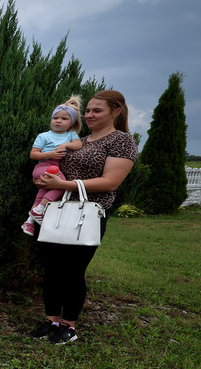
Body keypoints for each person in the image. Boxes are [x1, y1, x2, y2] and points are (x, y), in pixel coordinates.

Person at [30, 90, 137, 345]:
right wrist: (45, 180)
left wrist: (63, 185)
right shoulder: (80, 140)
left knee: (73, 271)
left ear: (116, 112)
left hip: (87, 214)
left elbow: (110, 182)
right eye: (88, 110)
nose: (89, 114)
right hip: (55, 211)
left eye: (97, 110)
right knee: (52, 269)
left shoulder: (121, 141)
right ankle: (51, 320)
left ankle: (69, 326)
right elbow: (58, 171)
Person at [21, 97, 83, 235]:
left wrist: (66, 144)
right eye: (55, 117)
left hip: (56, 168)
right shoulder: (43, 136)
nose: (59, 121)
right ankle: (39, 210)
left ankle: (29, 222)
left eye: (64, 119)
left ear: (72, 123)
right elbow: (33, 154)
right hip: (44, 165)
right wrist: (51, 154)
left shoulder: (70, 135)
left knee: (42, 193)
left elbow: (78, 145)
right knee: (61, 184)